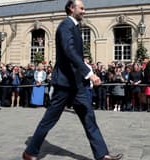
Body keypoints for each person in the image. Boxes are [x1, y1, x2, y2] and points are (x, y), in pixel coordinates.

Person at [22, 1, 123, 160]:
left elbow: (76, 55)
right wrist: (88, 73)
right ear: (71, 8)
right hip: (64, 84)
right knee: (49, 120)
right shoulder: (65, 25)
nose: (84, 10)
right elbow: (69, 52)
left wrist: (85, 72)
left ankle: (102, 155)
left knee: (89, 118)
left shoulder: (74, 27)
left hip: (77, 85)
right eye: (81, 8)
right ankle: (30, 152)